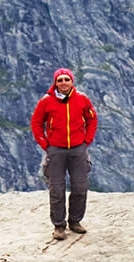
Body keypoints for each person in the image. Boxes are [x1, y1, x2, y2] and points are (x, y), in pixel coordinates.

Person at [30, 68, 97, 240]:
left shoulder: (82, 99)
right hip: (56, 151)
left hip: (78, 150)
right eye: (60, 80)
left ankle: (75, 221)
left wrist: (86, 140)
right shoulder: (46, 101)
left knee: (80, 187)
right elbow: (36, 123)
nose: (64, 83)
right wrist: (45, 144)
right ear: (55, 83)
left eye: (66, 79)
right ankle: (59, 226)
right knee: (56, 189)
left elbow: (92, 118)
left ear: (71, 81)